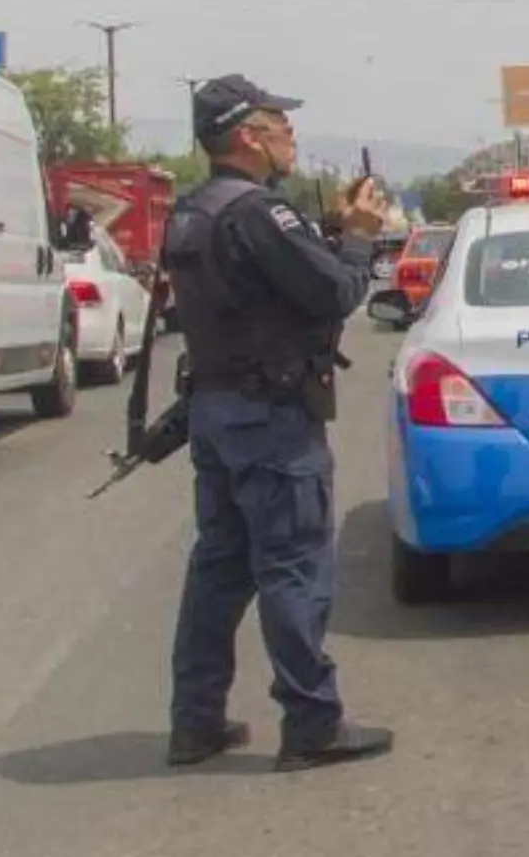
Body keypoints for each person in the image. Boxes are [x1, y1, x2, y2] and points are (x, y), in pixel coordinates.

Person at [165, 74, 393, 772]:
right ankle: (312, 723)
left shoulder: (196, 209)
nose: (291, 137)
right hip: (271, 419)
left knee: (219, 567)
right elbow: (333, 294)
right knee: (293, 567)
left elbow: (261, 284)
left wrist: (327, 233)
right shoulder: (261, 214)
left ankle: (196, 722)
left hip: (217, 411)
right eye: (281, 126)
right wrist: (357, 238)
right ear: (248, 137)